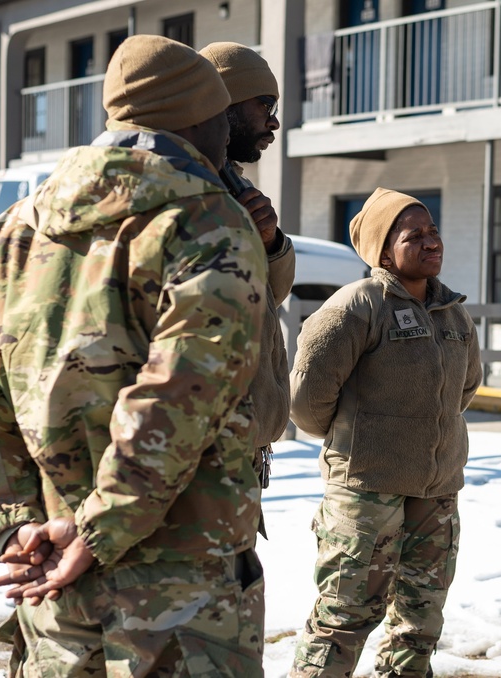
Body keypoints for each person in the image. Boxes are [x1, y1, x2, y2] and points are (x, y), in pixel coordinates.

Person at [0, 34, 268, 676]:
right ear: (197, 117)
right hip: (180, 595)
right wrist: (96, 531)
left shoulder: (17, 228)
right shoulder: (207, 221)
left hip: (55, 584)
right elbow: (179, 397)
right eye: (220, 114)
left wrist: (13, 526)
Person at [288, 188, 483, 678]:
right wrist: (366, 441)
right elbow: (307, 402)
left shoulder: (453, 311)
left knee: (419, 624)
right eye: (413, 235)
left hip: (436, 493)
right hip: (365, 492)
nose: (431, 241)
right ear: (382, 250)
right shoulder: (354, 307)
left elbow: (465, 389)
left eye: (433, 231)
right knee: (344, 619)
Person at [200, 42, 295, 532]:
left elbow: (273, 293)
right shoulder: (190, 189)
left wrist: (272, 241)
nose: (273, 122)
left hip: (243, 448)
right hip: (201, 451)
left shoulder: (235, 185)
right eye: (265, 105)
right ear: (226, 103)